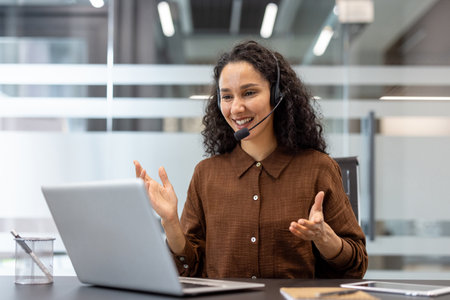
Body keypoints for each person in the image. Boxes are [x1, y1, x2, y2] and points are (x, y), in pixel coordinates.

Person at [134, 40, 367, 279]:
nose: (236, 108)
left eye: (249, 92)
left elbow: (357, 264)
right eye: (226, 96)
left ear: (277, 95)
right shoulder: (206, 174)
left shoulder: (317, 168)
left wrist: (325, 238)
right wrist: (171, 222)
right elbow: (189, 269)